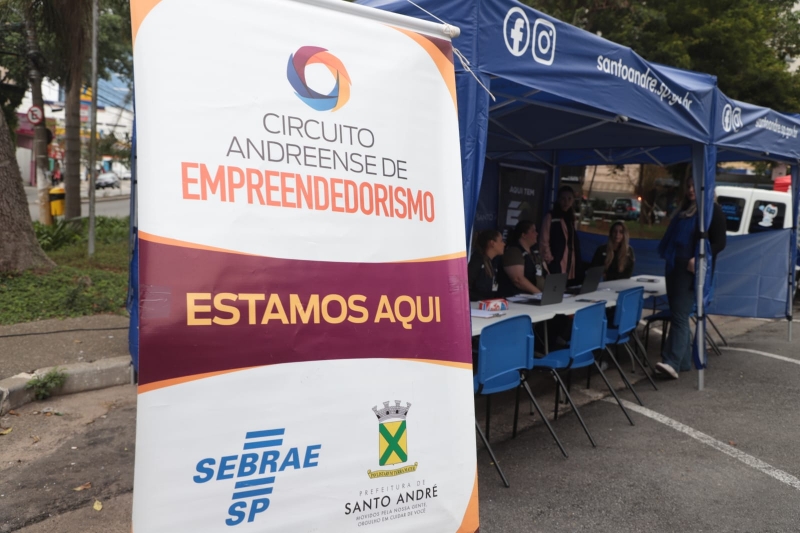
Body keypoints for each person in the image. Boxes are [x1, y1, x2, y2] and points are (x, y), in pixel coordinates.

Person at [655, 179, 725, 379]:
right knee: (679, 314)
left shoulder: (712, 210)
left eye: (695, 186)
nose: (690, 189)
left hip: (691, 270)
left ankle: (671, 361)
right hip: (674, 266)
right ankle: (684, 361)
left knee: (679, 314)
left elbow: (720, 242)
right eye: (688, 186)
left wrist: (700, 257)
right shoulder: (684, 210)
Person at [541, 185, 582, 283]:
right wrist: (550, 259)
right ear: (558, 199)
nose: (566, 202)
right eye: (563, 198)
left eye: (569, 199)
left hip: (570, 262)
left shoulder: (572, 218)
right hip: (556, 262)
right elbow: (544, 240)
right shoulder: (551, 216)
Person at [499, 220, 546, 296]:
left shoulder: (535, 252)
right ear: (524, 235)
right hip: (519, 298)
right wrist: (539, 294)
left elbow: (546, 272)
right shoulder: (514, 251)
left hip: (540, 297)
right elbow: (518, 279)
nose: (537, 234)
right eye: (533, 231)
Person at [467, 230, 505, 301]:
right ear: (492, 243)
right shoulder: (476, 260)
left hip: (488, 303)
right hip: (475, 304)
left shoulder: (494, 261)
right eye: (501, 241)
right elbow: (466, 286)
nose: (504, 244)